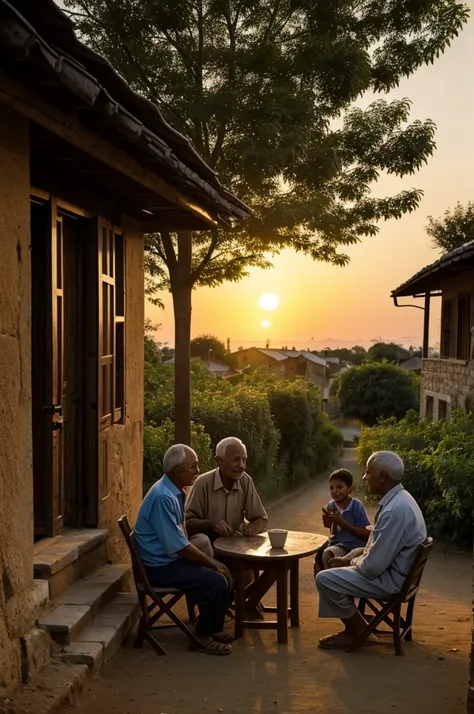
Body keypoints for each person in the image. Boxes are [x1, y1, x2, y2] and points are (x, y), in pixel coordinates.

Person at [315, 450, 427, 650]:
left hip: (390, 580)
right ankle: (358, 628)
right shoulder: (402, 499)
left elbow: (372, 567)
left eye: (368, 472)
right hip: (397, 574)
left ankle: (358, 631)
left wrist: (350, 561)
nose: (365, 477)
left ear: (383, 476)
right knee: (336, 567)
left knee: (325, 579)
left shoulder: (395, 511)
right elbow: (376, 547)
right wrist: (351, 558)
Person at [134, 444, 233, 656]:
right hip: (158, 568)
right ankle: (202, 636)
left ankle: (211, 627)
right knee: (216, 580)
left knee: (219, 574)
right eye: (193, 466)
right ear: (177, 471)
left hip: (164, 560)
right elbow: (178, 546)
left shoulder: (172, 490)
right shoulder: (163, 497)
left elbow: (178, 539)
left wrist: (211, 564)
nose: (197, 470)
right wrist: (211, 563)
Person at [185, 436, 268, 551]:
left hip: (236, 546)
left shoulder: (245, 480)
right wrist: (211, 523)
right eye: (236, 459)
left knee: (277, 563)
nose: (242, 466)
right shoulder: (203, 483)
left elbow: (261, 518)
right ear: (219, 461)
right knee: (202, 540)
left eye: (244, 460)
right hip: (210, 547)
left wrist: (253, 528)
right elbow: (187, 523)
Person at [314, 468, 371, 573]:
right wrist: (328, 523)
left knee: (355, 554)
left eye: (339, 487)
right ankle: (329, 578)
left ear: (349, 489)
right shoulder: (331, 506)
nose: (334, 491)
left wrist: (342, 523)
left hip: (357, 546)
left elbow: (367, 534)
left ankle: (344, 561)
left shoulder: (356, 506)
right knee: (327, 553)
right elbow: (333, 530)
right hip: (339, 545)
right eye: (331, 488)